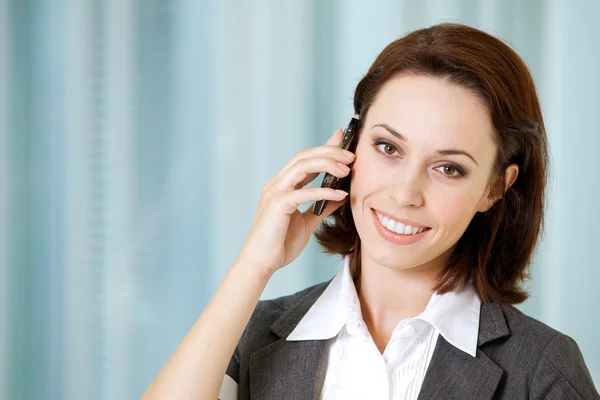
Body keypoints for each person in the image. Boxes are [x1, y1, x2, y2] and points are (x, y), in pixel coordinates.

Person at [142, 22, 599, 399]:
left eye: (448, 168)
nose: (405, 194)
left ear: (496, 188)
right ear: (349, 146)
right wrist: (253, 266)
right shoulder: (253, 332)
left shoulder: (543, 370)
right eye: (388, 147)